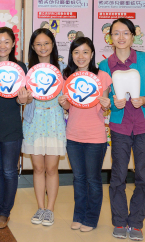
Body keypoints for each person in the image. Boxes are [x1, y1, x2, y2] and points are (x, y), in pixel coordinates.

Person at [98, 18, 145, 241]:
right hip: (120, 125)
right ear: (110, 38)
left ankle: (136, 222)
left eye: (126, 33)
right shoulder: (105, 65)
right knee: (118, 175)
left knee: (143, 175)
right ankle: (119, 221)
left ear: (133, 36)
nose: (121, 37)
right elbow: (102, 98)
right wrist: (109, 103)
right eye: (116, 33)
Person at [60, 37, 112, 232]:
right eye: (76, 52)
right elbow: (68, 108)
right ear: (71, 55)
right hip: (73, 135)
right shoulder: (68, 77)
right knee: (78, 178)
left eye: (85, 52)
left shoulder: (102, 76)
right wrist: (63, 101)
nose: (80, 56)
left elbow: (105, 107)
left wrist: (106, 105)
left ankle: (91, 218)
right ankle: (78, 215)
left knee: (93, 179)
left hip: (95, 137)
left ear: (92, 54)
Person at [0, 27, 30, 229]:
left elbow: (27, 97)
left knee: (9, 171)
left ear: (13, 44)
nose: (2, 45)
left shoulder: (21, 67)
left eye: (7, 41)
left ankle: (5, 213)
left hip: (11, 126)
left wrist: (25, 98)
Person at [23, 28, 65, 227]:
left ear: (53, 45)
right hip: (34, 122)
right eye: (38, 44)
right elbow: (19, 97)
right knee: (38, 168)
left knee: (51, 168)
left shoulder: (63, 68)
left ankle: (50, 209)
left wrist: (66, 102)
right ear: (33, 46)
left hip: (55, 120)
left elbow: (68, 100)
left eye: (46, 43)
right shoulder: (26, 70)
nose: (42, 47)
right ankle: (40, 208)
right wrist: (22, 98)